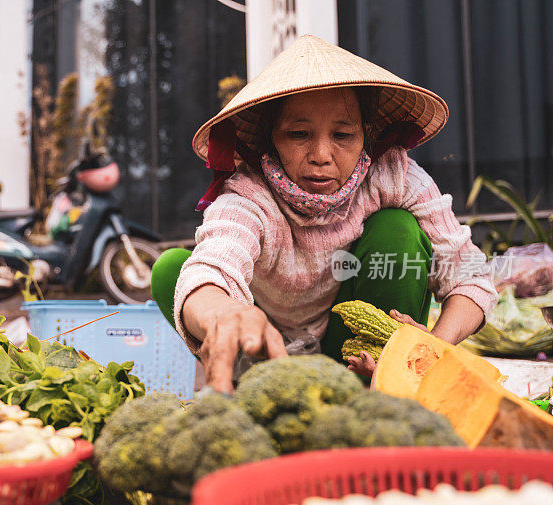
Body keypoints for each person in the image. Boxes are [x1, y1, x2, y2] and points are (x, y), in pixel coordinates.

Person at [150, 35, 497, 393]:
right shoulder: (249, 197)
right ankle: (265, 390)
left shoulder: (392, 176)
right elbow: (212, 266)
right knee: (171, 271)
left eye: (343, 135)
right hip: (265, 354)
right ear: (272, 138)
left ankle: (383, 386)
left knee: (397, 230)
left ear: (367, 135)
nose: (320, 154)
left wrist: (435, 345)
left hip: (351, 350)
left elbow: (470, 276)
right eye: (299, 134)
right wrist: (224, 314)